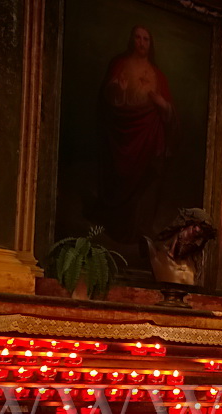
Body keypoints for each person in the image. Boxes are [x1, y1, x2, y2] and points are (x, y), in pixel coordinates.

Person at [97, 25, 177, 248]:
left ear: (150, 44)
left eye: (146, 39)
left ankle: (139, 228)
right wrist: (118, 90)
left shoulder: (157, 75)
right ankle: (118, 227)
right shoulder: (120, 65)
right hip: (122, 136)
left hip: (148, 136)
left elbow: (170, 111)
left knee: (146, 179)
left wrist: (162, 105)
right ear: (131, 40)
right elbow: (106, 102)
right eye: (138, 38)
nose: (141, 43)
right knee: (121, 180)